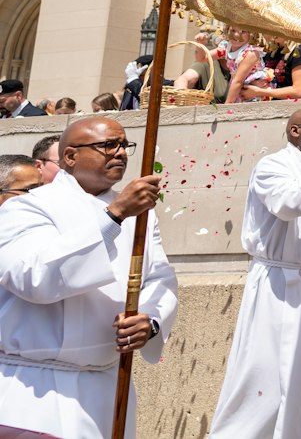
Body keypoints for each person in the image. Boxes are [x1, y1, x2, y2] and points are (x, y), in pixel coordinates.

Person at [0, 115, 177, 438]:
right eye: (108, 145)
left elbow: (159, 278)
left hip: (105, 389)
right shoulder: (29, 208)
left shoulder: (140, 215)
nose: (121, 153)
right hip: (32, 393)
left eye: (124, 145)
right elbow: (32, 277)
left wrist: (149, 321)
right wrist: (114, 217)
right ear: (70, 156)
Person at [210, 105, 301, 438]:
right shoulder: (271, 166)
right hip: (280, 287)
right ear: (294, 131)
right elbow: (289, 204)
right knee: (268, 381)